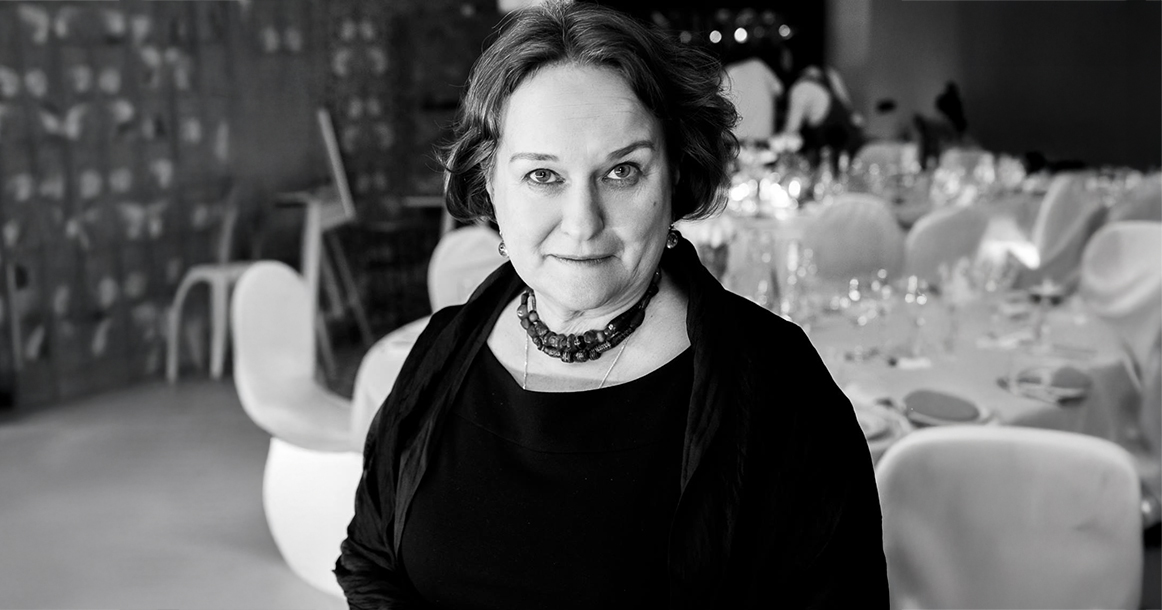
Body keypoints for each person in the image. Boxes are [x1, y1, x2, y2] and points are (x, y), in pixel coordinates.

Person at [334, 2, 888, 607]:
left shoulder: (779, 386)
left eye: (622, 171)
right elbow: (370, 561)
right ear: (490, 185)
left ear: (676, 175)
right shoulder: (441, 352)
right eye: (543, 175)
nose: (583, 223)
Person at [779, 65, 864, 165]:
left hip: (827, 134)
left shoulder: (799, 89)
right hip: (847, 130)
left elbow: (792, 127)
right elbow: (845, 101)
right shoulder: (831, 74)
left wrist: (779, 142)